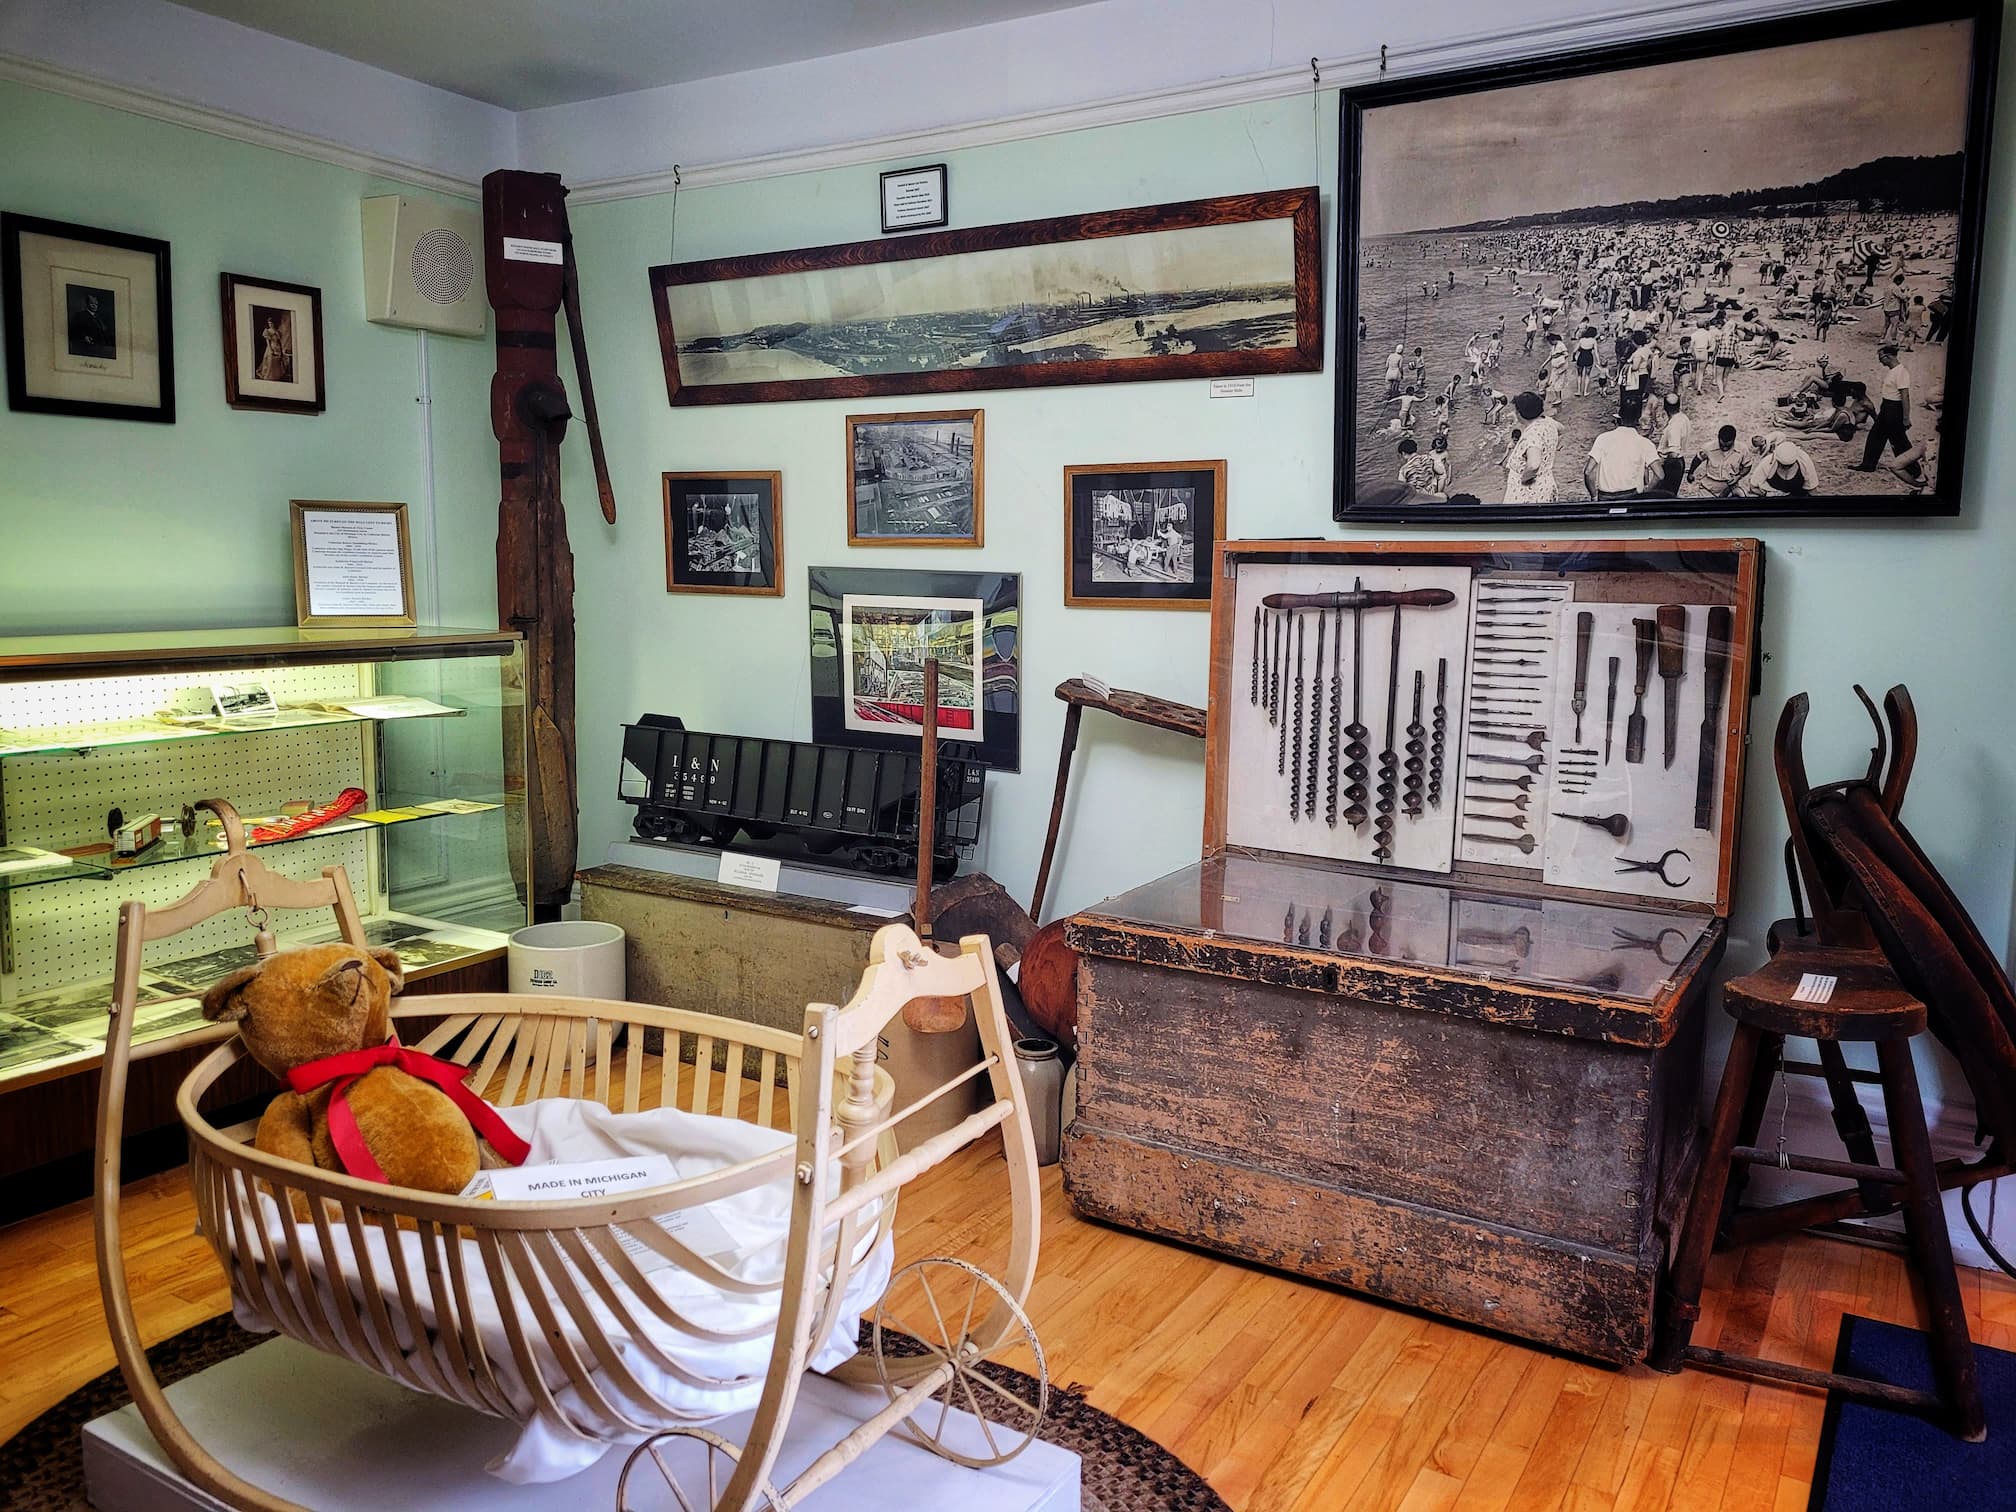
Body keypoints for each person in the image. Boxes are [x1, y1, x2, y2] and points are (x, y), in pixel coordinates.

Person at [1853, 344, 1912, 472]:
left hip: (1894, 409)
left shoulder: (1901, 372)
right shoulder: (1893, 372)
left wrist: (1906, 417)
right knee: (1875, 436)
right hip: (1886, 407)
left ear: (1888, 356)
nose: (1880, 361)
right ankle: (1868, 465)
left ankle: (1913, 469)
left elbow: (1905, 396)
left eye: (1881, 358)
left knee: (1899, 441)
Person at [1585, 401, 1660, 500]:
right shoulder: (1644, 443)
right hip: (1631, 496)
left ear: (1618, 420)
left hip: (1605, 496)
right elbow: (1659, 475)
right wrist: (1646, 493)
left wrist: (1594, 495)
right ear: (1637, 422)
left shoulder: (1603, 439)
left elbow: (1588, 472)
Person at [1502, 392, 1561, 504]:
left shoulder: (1533, 434)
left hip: (1528, 492)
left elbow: (1534, 465)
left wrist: (1524, 479)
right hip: (1546, 481)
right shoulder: (1548, 422)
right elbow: (1562, 429)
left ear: (1520, 414)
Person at [1744, 438, 1820, 497]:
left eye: (1790, 465)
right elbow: (1753, 486)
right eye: (1783, 465)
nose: (1786, 468)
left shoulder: (1804, 461)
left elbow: (1812, 489)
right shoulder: (1767, 463)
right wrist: (1768, 494)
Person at [1686, 424, 1748, 497]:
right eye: (1722, 445)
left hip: (1730, 488)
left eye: (1728, 446)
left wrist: (1738, 476)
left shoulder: (1742, 449)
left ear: (1733, 440)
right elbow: (1698, 459)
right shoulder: (1708, 448)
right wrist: (1690, 473)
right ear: (1718, 438)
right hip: (1708, 489)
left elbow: (1747, 465)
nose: (1724, 448)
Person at [1656, 392, 1693, 468]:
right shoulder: (1683, 417)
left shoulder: (1674, 426)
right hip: (1679, 461)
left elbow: (1674, 453)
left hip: (1672, 464)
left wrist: (1664, 462)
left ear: (1665, 408)